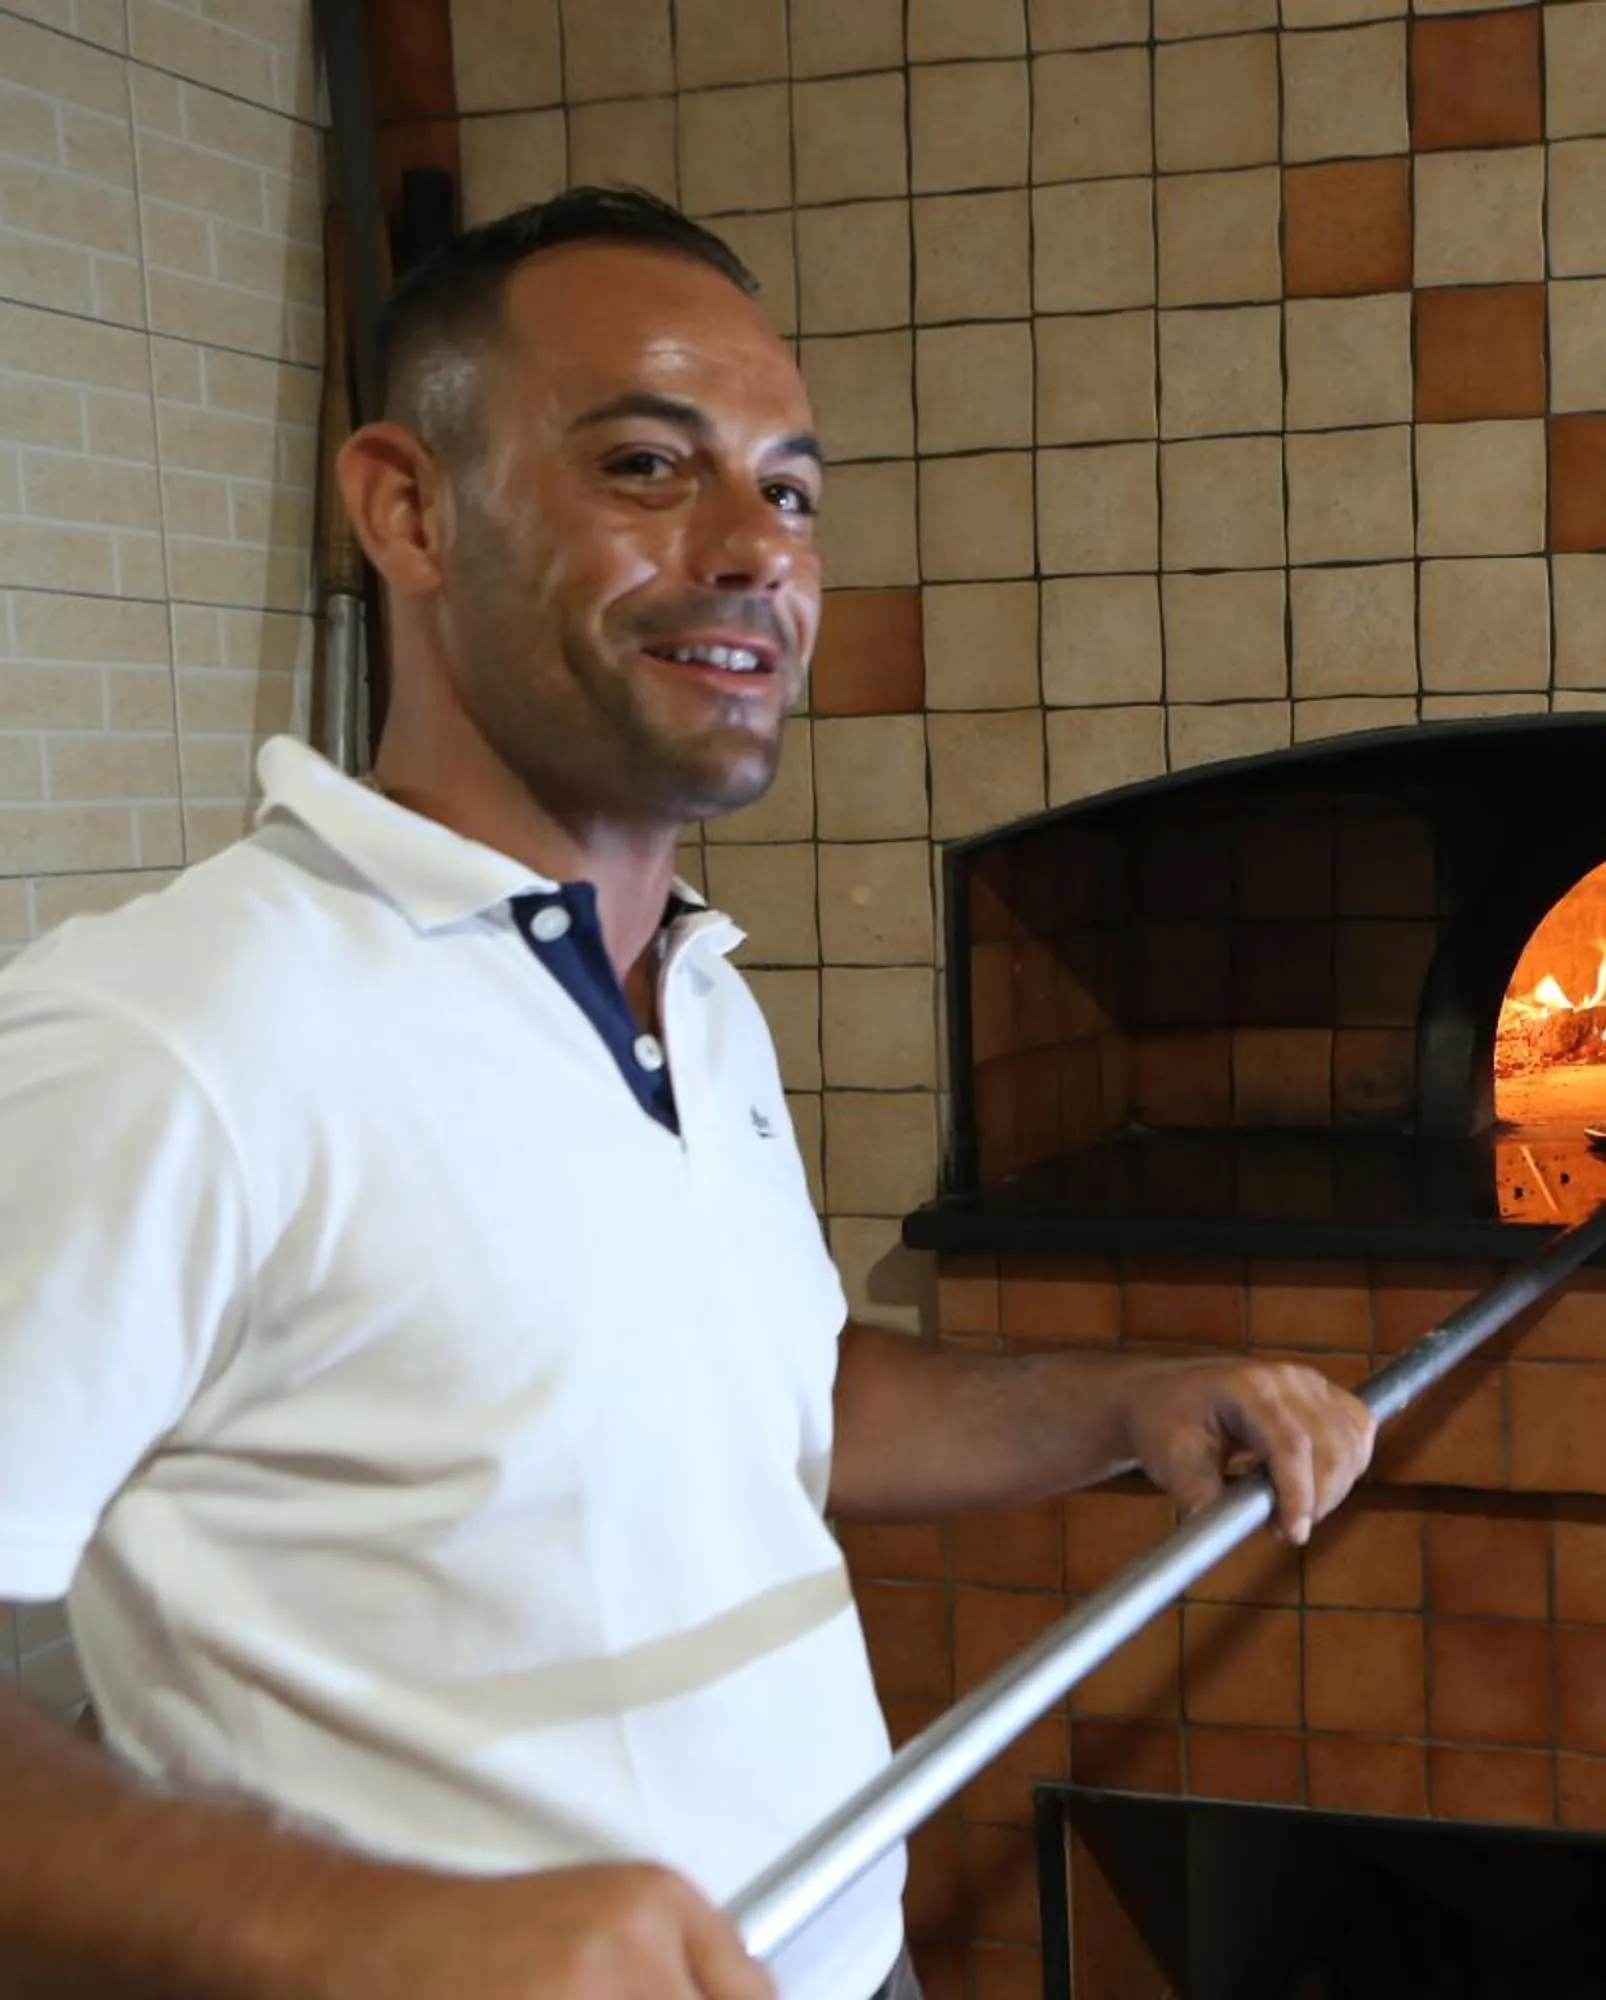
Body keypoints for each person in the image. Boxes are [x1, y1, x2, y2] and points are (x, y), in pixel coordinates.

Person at [0, 187, 1375, 2000]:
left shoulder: (693, 993)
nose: (752, 552)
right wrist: (373, 1932)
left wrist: (1121, 1401)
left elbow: (781, 1398)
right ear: (408, 509)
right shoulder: (172, 1033)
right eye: (647, 467)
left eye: (789, 493)